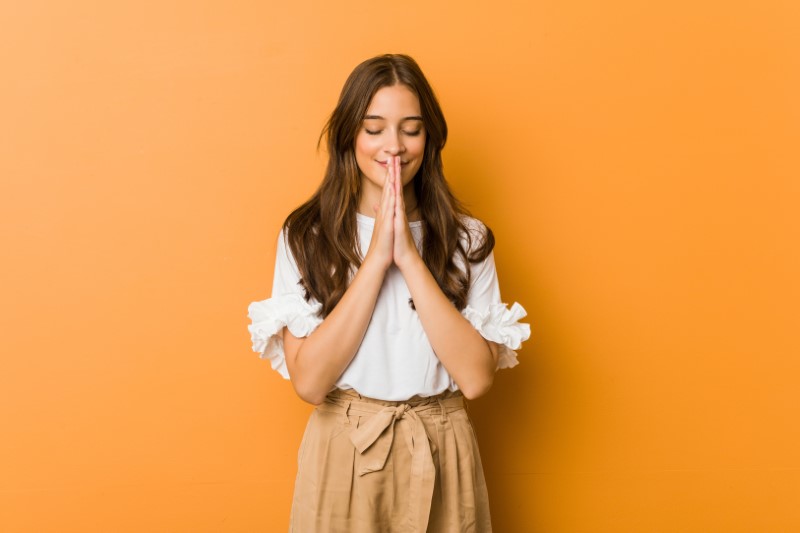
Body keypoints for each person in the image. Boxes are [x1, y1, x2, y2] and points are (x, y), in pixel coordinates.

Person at [247, 53, 530, 533]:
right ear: (348, 137)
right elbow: (310, 384)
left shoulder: (468, 238)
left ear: (430, 138)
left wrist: (409, 259)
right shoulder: (307, 235)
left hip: (443, 444)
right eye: (373, 128)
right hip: (343, 447)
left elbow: (477, 379)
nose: (393, 146)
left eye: (411, 129)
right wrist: (377, 259)